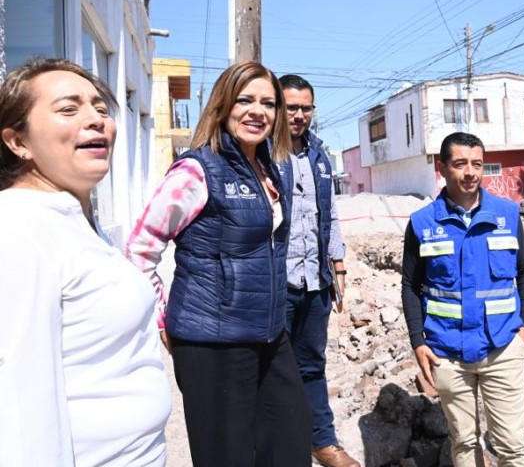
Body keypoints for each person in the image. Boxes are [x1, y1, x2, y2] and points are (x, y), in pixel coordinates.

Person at [126, 61, 312, 467]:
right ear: (223, 105)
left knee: (290, 447)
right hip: (213, 343)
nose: (257, 111)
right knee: (226, 458)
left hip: (268, 335)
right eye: (245, 100)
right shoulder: (197, 170)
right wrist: (163, 319)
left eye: (268, 103)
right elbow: (141, 249)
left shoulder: (270, 169)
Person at [0, 58, 171, 466]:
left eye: (99, 107)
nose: (96, 119)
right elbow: (21, 405)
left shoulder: (74, 219)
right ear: (17, 142)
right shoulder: (19, 229)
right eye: (68, 108)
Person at [401, 132, 524, 467]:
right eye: (460, 164)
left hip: (502, 346)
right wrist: (418, 340)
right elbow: (410, 285)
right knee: (463, 441)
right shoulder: (422, 223)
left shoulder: (506, 213)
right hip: (447, 351)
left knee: (511, 445)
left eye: (477, 163)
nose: (470, 172)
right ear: (442, 167)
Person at [276, 74, 359, 467]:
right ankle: (282, 446)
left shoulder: (320, 155)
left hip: (316, 281)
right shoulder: (264, 154)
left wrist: (338, 267)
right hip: (277, 282)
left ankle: (322, 441)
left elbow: (330, 215)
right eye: (290, 107)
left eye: (305, 108)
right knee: (273, 369)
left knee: (312, 363)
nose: (298, 115)